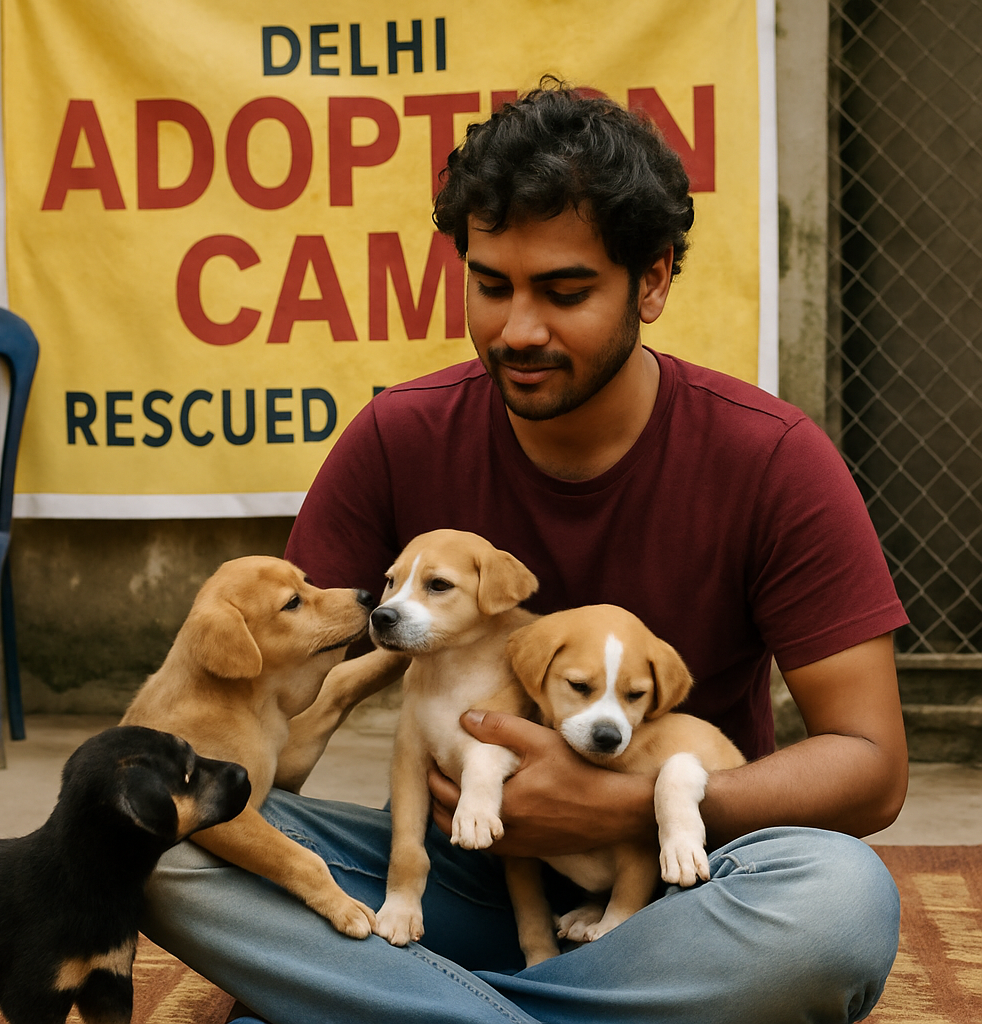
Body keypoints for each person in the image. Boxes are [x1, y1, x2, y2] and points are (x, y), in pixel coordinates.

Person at [143, 81, 909, 1024]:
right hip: (446, 885)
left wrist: (632, 808)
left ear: (656, 279)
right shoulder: (398, 437)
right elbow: (270, 703)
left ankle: (408, 1009)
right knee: (151, 825)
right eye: (491, 284)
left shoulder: (772, 459)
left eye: (565, 291)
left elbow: (871, 766)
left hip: (672, 889)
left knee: (839, 903)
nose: (518, 330)